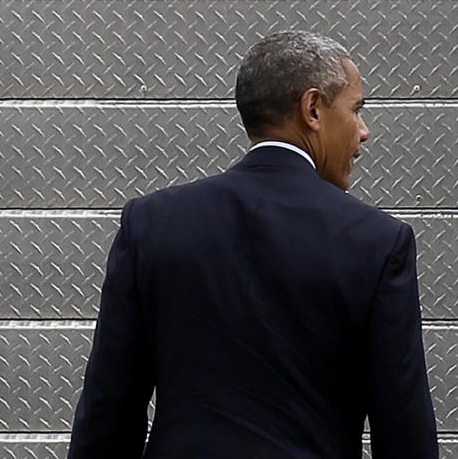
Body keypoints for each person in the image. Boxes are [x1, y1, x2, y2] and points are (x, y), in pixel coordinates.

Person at [66, 31, 438, 459]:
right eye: (356, 110)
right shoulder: (375, 241)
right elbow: (404, 429)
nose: (364, 132)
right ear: (313, 109)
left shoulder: (153, 224)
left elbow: (109, 410)